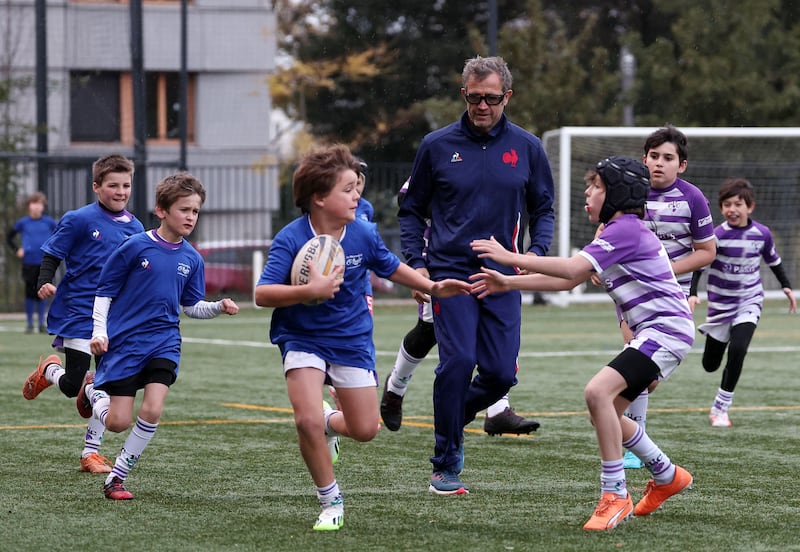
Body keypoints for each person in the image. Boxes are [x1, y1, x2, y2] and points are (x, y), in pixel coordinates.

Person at [471, 156, 695, 531]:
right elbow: (568, 282)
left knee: (596, 393)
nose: (587, 194)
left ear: (618, 193)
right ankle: (667, 474)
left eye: (596, 186)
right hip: (656, 332)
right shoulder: (614, 231)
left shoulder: (625, 229)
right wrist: (508, 282)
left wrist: (510, 258)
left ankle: (614, 495)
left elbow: (572, 270)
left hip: (665, 331)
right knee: (605, 412)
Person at [254, 144, 470, 531]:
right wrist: (306, 292)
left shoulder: (363, 234)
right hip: (301, 337)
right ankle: (330, 499)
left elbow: (391, 267)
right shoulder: (291, 238)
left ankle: (328, 419)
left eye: (357, 187)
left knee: (365, 430)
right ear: (320, 198)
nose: (358, 195)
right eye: (349, 188)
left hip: (351, 339)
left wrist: (431, 286)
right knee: (303, 419)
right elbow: (262, 294)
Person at [397, 55, 555, 495]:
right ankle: (445, 463)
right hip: (450, 274)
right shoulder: (435, 144)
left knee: (502, 374)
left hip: (504, 276)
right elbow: (410, 211)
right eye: (473, 97)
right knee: (458, 363)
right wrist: (418, 264)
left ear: (507, 96)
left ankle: (452, 414)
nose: (481, 106)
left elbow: (544, 210)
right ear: (464, 94)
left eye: (490, 98)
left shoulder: (528, 148)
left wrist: (535, 254)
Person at [77, 172, 239, 500]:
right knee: (118, 422)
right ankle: (93, 390)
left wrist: (218, 306)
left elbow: (191, 307)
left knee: (152, 410)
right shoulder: (134, 247)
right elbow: (105, 292)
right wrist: (99, 331)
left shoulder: (192, 259)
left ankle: (117, 478)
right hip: (124, 344)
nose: (191, 217)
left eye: (195, 211)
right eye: (184, 210)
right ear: (162, 210)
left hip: (164, 342)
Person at [382, 180, 540, 436]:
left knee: (498, 331)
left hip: (494, 258)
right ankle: (396, 387)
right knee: (429, 330)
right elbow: (409, 205)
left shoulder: (508, 153)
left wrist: (532, 252)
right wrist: (418, 265)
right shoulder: (442, 153)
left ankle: (498, 408)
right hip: (447, 261)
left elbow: (534, 204)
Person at [22, 154, 144, 474]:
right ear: (96, 187)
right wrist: (44, 282)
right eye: (113, 185)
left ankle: (91, 453)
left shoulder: (136, 227)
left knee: (108, 381)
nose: (121, 191)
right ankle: (51, 371)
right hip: (78, 309)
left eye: (126, 185)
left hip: (113, 315)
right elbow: (52, 253)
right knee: (72, 382)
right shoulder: (79, 219)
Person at [618, 126, 716, 469]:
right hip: (631, 298)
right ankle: (634, 446)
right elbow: (608, 232)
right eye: (654, 156)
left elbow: (707, 251)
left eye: (668, 158)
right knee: (634, 367)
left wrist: (666, 269)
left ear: (682, 165)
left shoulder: (692, 198)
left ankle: (634, 439)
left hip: (670, 300)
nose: (659, 163)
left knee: (645, 376)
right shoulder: (631, 192)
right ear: (644, 159)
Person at [689, 177, 796, 427]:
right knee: (710, 365)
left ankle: (721, 408)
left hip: (749, 301)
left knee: (738, 350)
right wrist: (693, 292)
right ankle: (717, 350)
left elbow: (774, 262)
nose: (732, 209)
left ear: (750, 207)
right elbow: (700, 266)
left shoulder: (762, 234)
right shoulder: (716, 236)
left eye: (738, 204)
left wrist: (787, 287)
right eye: (726, 204)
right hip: (719, 308)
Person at [6, 191, 57, 333]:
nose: (36, 207)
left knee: (43, 292)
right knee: (29, 292)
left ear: (43, 206)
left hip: (45, 263)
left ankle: (41, 323)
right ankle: (29, 323)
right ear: (29, 206)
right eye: (33, 204)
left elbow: (60, 235)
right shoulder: (23, 223)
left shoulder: (49, 222)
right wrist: (17, 249)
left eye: (39, 204)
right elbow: (9, 237)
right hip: (29, 262)